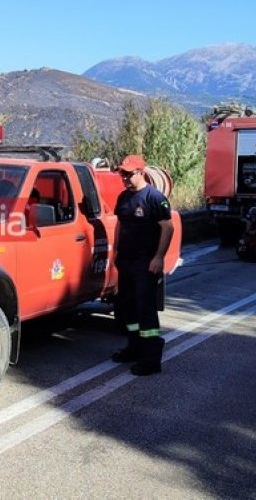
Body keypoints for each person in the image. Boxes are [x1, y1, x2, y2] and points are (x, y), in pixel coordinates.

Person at [111, 154, 174, 376]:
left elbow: (168, 227)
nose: (125, 178)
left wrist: (159, 257)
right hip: (126, 261)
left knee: (145, 309)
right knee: (127, 308)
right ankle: (134, 348)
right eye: (122, 174)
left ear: (141, 172)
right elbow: (120, 224)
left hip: (145, 263)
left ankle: (151, 359)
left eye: (128, 174)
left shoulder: (154, 198)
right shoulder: (123, 197)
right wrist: (115, 251)